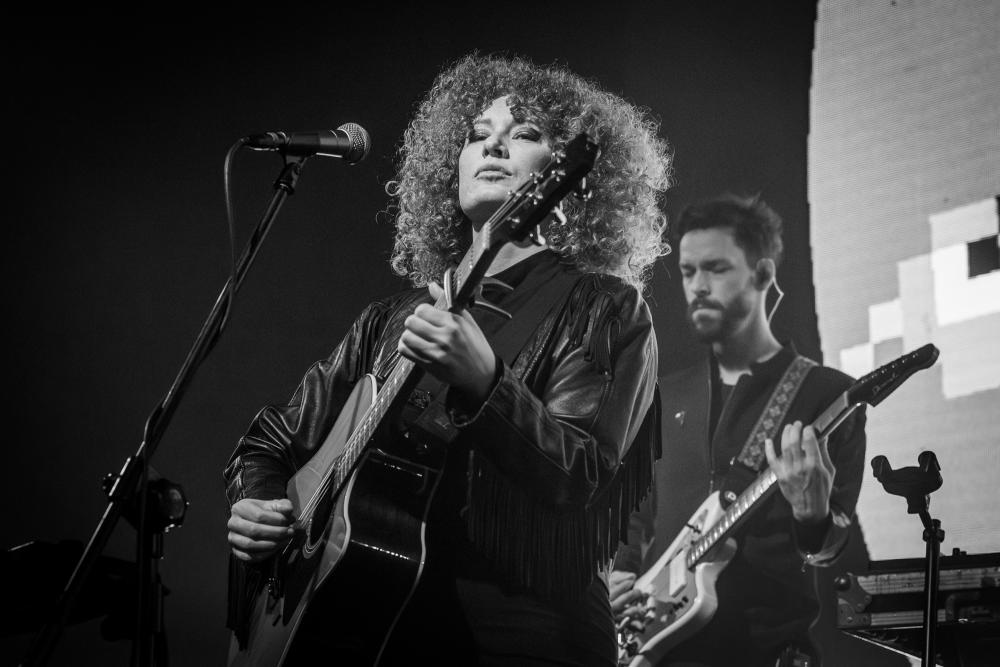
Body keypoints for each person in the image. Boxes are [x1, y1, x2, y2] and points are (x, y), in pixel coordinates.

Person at [224, 53, 672, 666]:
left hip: (523, 639)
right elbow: (272, 439)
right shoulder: (390, 318)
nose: (494, 145)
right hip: (383, 631)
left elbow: (584, 474)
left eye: (525, 133)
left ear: (567, 180)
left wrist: (487, 383)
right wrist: (257, 501)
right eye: (476, 134)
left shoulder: (602, 307)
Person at [612, 194, 867, 667]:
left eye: (716, 269)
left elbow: (832, 549)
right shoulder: (665, 394)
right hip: (662, 647)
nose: (697, 286)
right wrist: (617, 575)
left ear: (763, 274)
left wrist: (812, 515)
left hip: (768, 652)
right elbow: (635, 517)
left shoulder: (829, 395)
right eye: (688, 271)